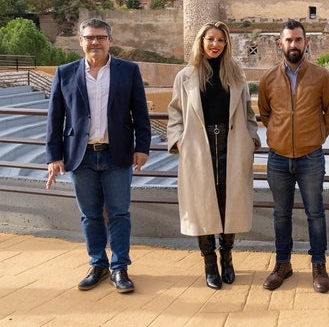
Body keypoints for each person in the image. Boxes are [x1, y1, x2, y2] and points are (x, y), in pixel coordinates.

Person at [46, 18, 151, 294]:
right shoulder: (65, 73)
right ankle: (98, 264)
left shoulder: (128, 71)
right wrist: (53, 155)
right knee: (89, 215)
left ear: (110, 41)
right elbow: (55, 118)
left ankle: (119, 268)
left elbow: (140, 113)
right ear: (80, 41)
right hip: (81, 157)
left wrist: (142, 147)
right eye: (89, 37)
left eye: (101, 37)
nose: (95, 42)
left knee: (119, 213)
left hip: (118, 154)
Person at [167, 21, 261, 290]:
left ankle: (227, 258)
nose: (215, 44)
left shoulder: (237, 75)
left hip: (231, 144)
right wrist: (178, 142)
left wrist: (251, 138)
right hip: (198, 146)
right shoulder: (185, 76)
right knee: (203, 205)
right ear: (201, 41)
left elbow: (248, 111)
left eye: (221, 40)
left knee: (227, 202)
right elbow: (175, 113)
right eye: (211, 39)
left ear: (226, 43)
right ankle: (210, 263)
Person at [257, 20, 329, 293]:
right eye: (288, 40)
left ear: (306, 43)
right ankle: (283, 264)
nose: (294, 45)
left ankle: (319, 265)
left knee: (315, 213)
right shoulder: (268, 79)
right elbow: (266, 114)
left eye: (298, 40)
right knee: (281, 215)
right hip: (278, 158)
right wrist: (279, 137)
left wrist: (315, 137)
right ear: (280, 44)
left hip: (311, 157)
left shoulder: (321, 76)